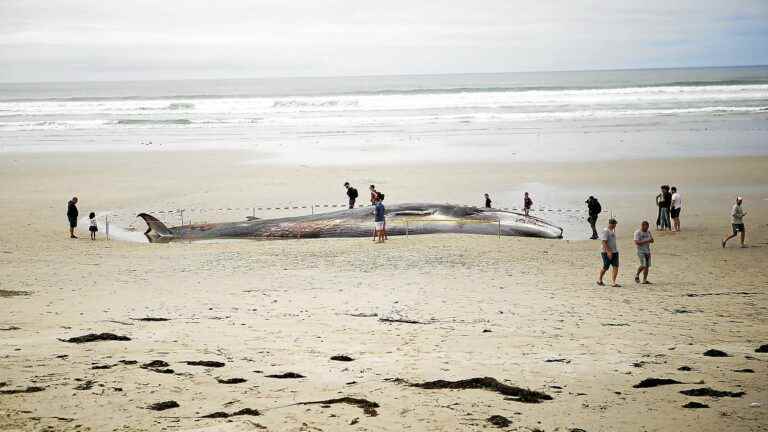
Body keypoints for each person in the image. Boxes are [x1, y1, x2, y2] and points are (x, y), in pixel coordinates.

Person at [598, 218, 620, 287]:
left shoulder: (612, 231)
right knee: (606, 266)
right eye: (614, 224)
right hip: (606, 252)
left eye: (615, 224)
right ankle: (600, 280)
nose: (615, 225)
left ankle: (614, 282)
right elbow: (604, 242)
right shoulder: (606, 231)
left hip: (615, 251)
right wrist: (608, 251)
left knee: (615, 266)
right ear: (611, 224)